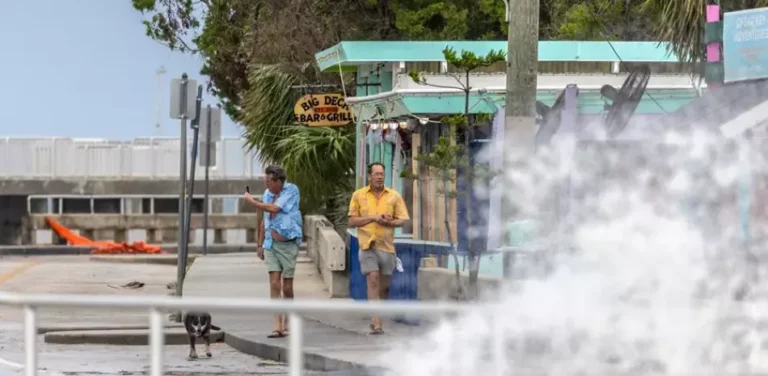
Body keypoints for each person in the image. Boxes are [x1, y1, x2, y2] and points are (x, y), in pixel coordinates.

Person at [347, 162, 410, 335]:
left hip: (387, 247)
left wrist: (389, 222)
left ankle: (377, 315)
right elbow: (352, 221)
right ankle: (377, 324)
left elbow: (403, 219)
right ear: (369, 176)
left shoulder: (393, 196)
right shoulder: (358, 195)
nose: (380, 177)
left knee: (384, 287)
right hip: (367, 246)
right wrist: (374, 218)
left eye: (382, 174)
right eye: (376, 174)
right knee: (373, 280)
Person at [244, 165, 302, 338]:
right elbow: (264, 219)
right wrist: (259, 243)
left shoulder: (291, 191)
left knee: (287, 286)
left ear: (278, 181)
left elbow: (274, 208)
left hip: (288, 244)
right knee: (274, 283)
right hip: (271, 244)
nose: (266, 184)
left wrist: (252, 202)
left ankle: (288, 319)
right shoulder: (267, 194)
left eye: (269, 181)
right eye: (265, 181)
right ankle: (277, 325)